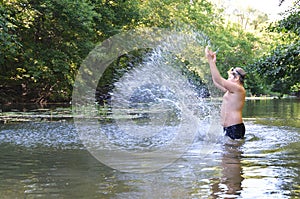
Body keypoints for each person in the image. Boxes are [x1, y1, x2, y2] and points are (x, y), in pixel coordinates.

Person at [205, 46, 246, 140]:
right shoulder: (231, 90)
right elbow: (216, 81)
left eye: (230, 76)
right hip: (229, 128)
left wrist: (209, 59)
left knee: (231, 154)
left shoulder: (238, 88)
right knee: (226, 153)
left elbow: (218, 79)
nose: (227, 79)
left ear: (237, 78)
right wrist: (212, 63)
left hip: (234, 127)